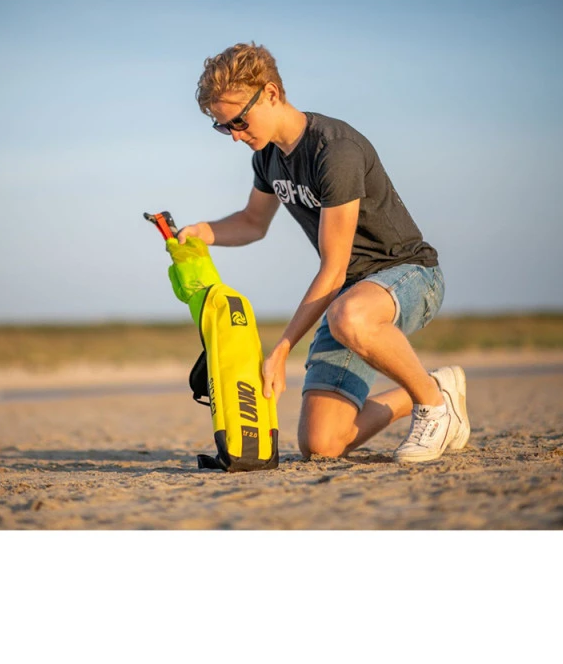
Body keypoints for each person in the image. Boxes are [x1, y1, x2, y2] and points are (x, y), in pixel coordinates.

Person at [176, 42, 470, 464]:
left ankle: (434, 408)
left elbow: (333, 269)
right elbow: (252, 222)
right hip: (349, 296)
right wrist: (200, 233)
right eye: (224, 128)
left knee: (349, 315)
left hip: (407, 274)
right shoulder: (267, 158)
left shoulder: (335, 151)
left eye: (239, 120)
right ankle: (433, 387)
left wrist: (282, 350)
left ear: (271, 93)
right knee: (321, 444)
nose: (236, 135)